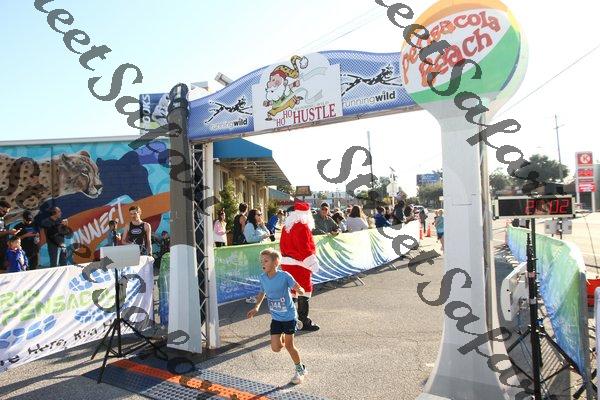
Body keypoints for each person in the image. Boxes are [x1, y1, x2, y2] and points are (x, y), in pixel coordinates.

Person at [247, 248, 308, 384]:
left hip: (289, 316)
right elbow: (262, 292)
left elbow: (297, 286)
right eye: (261, 261)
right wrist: (256, 307)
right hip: (276, 318)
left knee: (289, 346)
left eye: (266, 261)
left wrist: (300, 290)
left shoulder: (284, 276)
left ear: (275, 263)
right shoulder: (262, 277)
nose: (262, 263)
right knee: (276, 348)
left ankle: (300, 370)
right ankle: (284, 335)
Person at [280, 200, 321, 332]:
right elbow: (304, 248)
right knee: (304, 290)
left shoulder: (286, 227)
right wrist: (312, 262)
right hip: (300, 264)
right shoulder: (302, 226)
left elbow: (282, 246)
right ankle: (303, 321)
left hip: (287, 263)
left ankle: (289, 320)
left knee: (292, 291)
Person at [0, 200, 20, 270]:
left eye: (7, 212)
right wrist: (9, 232)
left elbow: (2, 231)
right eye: (4, 211)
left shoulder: (1, 218)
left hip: (3, 248)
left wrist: (11, 232)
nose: (5, 214)